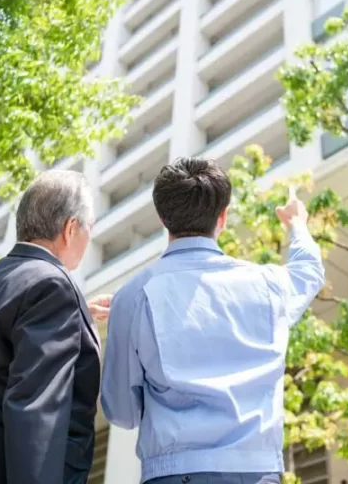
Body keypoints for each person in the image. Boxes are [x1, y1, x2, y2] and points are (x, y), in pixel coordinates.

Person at [101, 157, 325, 484]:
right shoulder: (269, 284)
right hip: (258, 474)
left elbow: (121, 412)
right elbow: (309, 271)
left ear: (163, 218)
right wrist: (297, 225)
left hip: (174, 475)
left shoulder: (133, 296)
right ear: (223, 216)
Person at [0, 170, 111, 484]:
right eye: (89, 225)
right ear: (70, 228)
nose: (89, 236)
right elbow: (36, 413)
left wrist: (73, 316)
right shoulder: (52, 288)